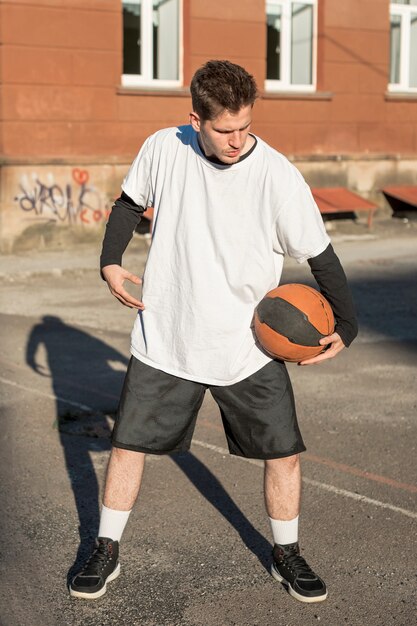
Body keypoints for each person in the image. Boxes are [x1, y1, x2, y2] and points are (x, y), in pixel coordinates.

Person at [69, 60, 357, 604]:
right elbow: (130, 204)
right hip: (168, 336)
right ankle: (106, 549)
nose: (236, 139)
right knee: (127, 446)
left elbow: (321, 255)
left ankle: (286, 552)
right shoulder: (164, 147)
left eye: (245, 126)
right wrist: (110, 261)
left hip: (247, 346)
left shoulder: (276, 175)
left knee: (284, 453)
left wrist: (349, 324)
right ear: (195, 118)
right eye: (224, 129)